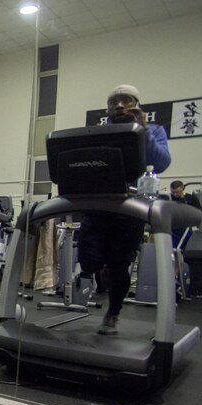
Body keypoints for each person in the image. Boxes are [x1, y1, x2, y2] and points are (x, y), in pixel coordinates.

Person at [77, 84, 171, 335]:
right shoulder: (99, 131)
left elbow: (160, 163)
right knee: (88, 259)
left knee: (119, 265)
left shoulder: (153, 130)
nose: (119, 105)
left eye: (126, 101)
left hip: (129, 207)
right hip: (97, 204)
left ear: (137, 105)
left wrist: (142, 130)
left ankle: (113, 313)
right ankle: (102, 271)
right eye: (114, 102)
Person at [169, 180, 202, 248]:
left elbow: (198, 212)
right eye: (173, 192)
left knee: (186, 246)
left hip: (186, 228)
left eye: (177, 192)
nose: (175, 194)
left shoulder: (191, 198)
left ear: (182, 188)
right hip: (172, 229)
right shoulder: (168, 199)